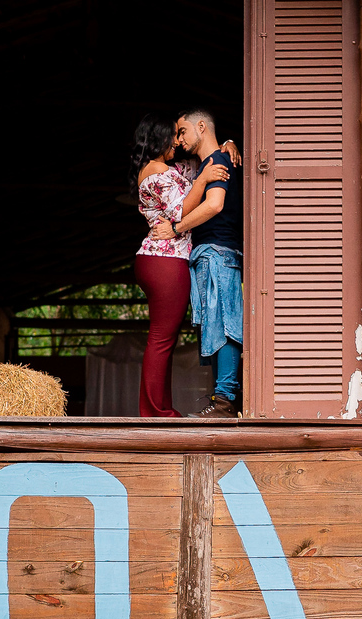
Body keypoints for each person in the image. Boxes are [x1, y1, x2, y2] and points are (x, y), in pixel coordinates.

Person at [129, 112, 236, 417]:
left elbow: (203, 161)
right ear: (159, 138)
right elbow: (178, 210)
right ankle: (153, 412)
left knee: (165, 338)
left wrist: (227, 144)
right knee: (162, 338)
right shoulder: (155, 173)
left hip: (161, 258)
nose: (177, 141)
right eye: (173, 136)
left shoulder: (168, 168)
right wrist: (203, 179)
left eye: (180, 134)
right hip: (164, 258)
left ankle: (160, 408)